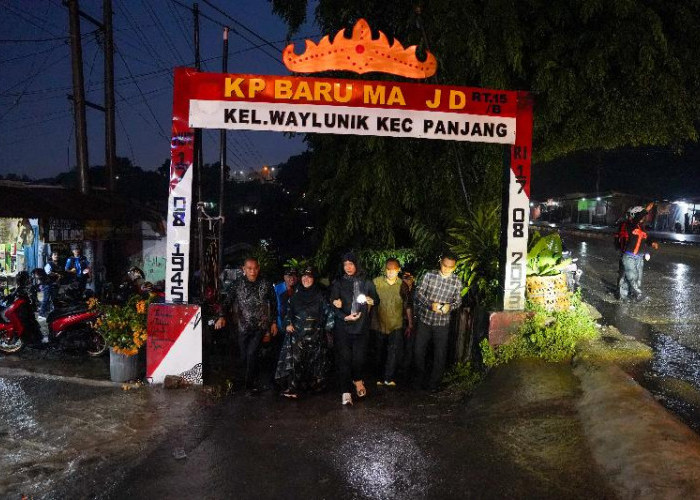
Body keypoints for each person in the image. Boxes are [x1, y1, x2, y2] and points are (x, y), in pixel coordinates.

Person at [214, 257, 278, 394]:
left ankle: (250, 385)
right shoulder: (237, 284)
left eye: (255, 268)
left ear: (258, 268)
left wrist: (273, 323)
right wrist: (221, 316)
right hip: (243, 326)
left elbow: (273, 304)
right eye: (249, 268)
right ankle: (242, 382)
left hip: (260, 327)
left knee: (252, 353)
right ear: (244, 269)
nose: (252, 271)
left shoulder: (266, 284)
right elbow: (227, 302)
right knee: (243, 356)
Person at [275, 267, 334, 398]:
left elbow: (329, 313)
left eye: (309, 277)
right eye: (304, 276)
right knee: (296, 362)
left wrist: (327, 329)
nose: (306, 279)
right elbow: (288, 312)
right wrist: (288, 323)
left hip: (315, 336)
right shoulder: (296, 294)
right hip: (297, 335)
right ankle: (293, 389)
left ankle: (313, 387)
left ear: (314, 279)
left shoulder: (320, 295)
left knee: (314, 363)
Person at [330, 252, 379, 406]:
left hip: (361, 326)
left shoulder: (366, 282)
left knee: (359, 358)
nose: (348, 267)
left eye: (351, 264)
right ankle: (345, 390)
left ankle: (357, 380)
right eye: (345, 264)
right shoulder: (338, 282)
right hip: (343, 326)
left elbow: (376, 300)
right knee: (344, 359)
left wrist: (371, 300)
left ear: (356, 264)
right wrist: (341, 312)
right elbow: (332, 302)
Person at [413, 252, 463, 392]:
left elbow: (458, 301)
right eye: (444, 265)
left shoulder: (456, 281)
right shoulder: (429, 275)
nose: (446, 268)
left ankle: (434, 384)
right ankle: (418, 380)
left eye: (450, 267)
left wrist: (449, 307)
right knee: (418, 351)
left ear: (454, 267)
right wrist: (431, 304)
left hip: (442, 324)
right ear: (440, 262)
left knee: (440, 354)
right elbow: (419, 293)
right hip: (425, 320)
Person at [371, 258, 413, 387]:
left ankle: (388, 378)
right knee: (379, 351)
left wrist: (410, 324)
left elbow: (407, 305)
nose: (390, 272)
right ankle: (378, 377)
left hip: (396, 324)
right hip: (378, 323)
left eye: (393, 270)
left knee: (393, 351)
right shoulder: (376, 282)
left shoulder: (402, 285)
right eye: (388, 269)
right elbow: (368, 301)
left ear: (398, 270)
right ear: (385, 269)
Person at [619, 202, 658, 302]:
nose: (643, 217)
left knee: (638, 279)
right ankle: (638, 294)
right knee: (632, 276)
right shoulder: (630, 225)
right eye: (641, 215)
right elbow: (636, 220)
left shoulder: (643, 228)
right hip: (629, 256)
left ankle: (629, 295)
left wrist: (652, 242)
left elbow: (647, 238)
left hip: (639, 257)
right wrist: (646, 210)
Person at [38, 251, 62, 317]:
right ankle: (41, 313)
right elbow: (48, 272)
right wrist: (57, 274)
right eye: (54, 255)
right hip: (47, 285)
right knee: (46, 299)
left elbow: (61, 275)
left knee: (54, 299)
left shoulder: (59, 265)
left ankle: (55, 313)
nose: (56, 256)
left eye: (57, 254)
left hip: (55, 285)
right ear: (51, 256)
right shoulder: (49, 264)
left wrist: (59, 278)